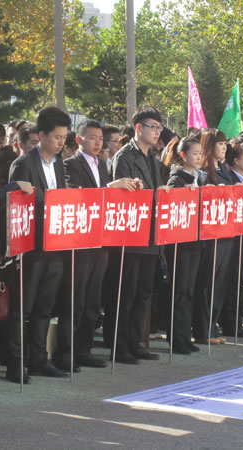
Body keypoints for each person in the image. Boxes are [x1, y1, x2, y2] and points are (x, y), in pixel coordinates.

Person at [56, 120, 139, 370]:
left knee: (93, 301)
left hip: (100, 240)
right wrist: (110, 187)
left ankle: (84, 349)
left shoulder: (102, 164)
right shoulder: (69, 164)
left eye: (101, 138)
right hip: (80, 242)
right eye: (93, 138)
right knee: (75, 300)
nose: (98, 142)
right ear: (79, 140)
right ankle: (66, 353)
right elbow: (76, 195)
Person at [7, 106, 71, 381]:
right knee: (22, 308)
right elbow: (15, 205)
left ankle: (38, 359)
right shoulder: (24, 163)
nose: (61, 143)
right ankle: (15, 363)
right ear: (41, 135)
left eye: (64, 138)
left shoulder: (58, 163)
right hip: (30, 248)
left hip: (54, 245)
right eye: (57, 137)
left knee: (45, 307)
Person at [111, 107, 163, 364]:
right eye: (153, 127)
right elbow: (119, 196)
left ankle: (136, 342)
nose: (157, 132)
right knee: (126, 293)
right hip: (130, 235)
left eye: (159, 128)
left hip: (151, 234)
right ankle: (120, 346)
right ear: (138, 128)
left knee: (144, 292)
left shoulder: (153, 157)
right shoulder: (124, 156)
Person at [164, 135, 204, 353]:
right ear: (183, 155)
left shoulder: (198, 177)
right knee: (179, 291)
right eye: (194, 153)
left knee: (189, 290)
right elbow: (170, 205)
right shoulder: (176, 178)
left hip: (195, 241)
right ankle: (176, 338)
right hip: (180, 244)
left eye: (200, 154)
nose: (198, 157)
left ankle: (185, 336)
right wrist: (183, 195)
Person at [192, 128, 231, 344]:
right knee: (207, 282)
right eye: (220, 144)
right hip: (210, 233)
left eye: (225, 144)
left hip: (226, 230)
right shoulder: (204, 171)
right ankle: (203, 329)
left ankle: (213, 327)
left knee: (220, 282)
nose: (224, 148)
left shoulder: (223, 168)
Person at [217, 140, 243, 338]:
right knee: (232, 280)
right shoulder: (229, 178)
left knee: (240, 279)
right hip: (232, 234)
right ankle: (230, 322)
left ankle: (236, 320)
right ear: (236, 160)